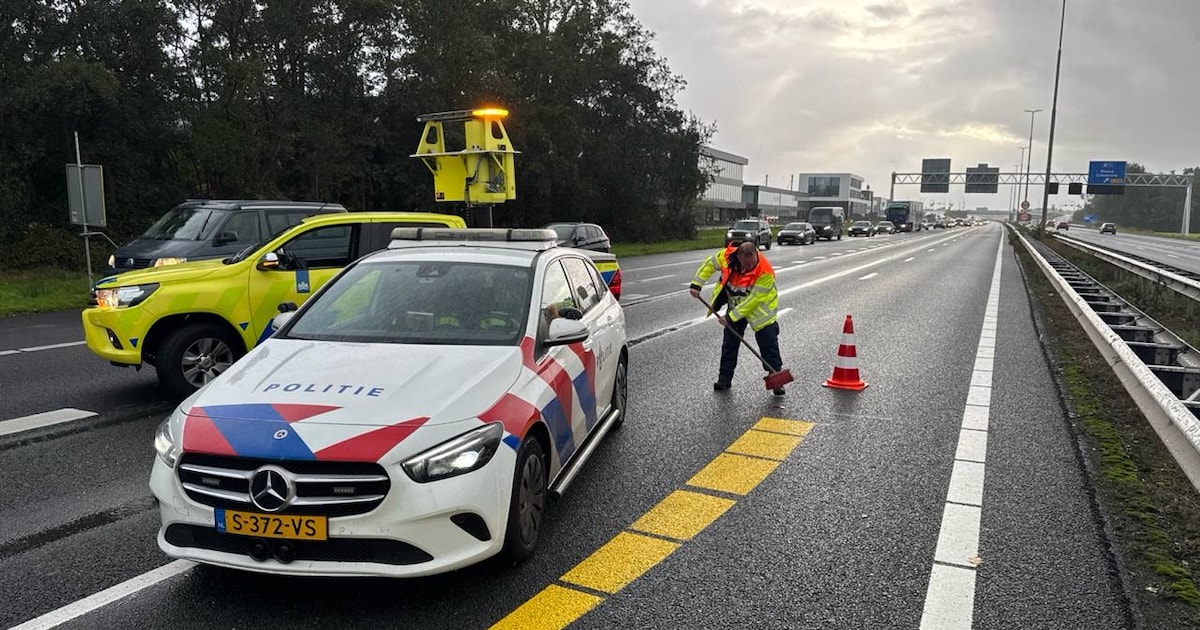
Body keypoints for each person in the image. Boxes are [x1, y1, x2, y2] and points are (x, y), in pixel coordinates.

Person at [688, 240, 785, 395]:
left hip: (760, 309)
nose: (749, 267)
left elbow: (754, 300)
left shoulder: (765, 271)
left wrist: (731, 317)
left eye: (752, 263)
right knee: (729, 344)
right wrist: (696, 284)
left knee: (768, 342)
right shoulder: (726, 256)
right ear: (738, 257)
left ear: (756, 254)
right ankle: (724, 379)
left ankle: (776, 377)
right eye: (746, 265)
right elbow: (709, 265)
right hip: (735, 302)